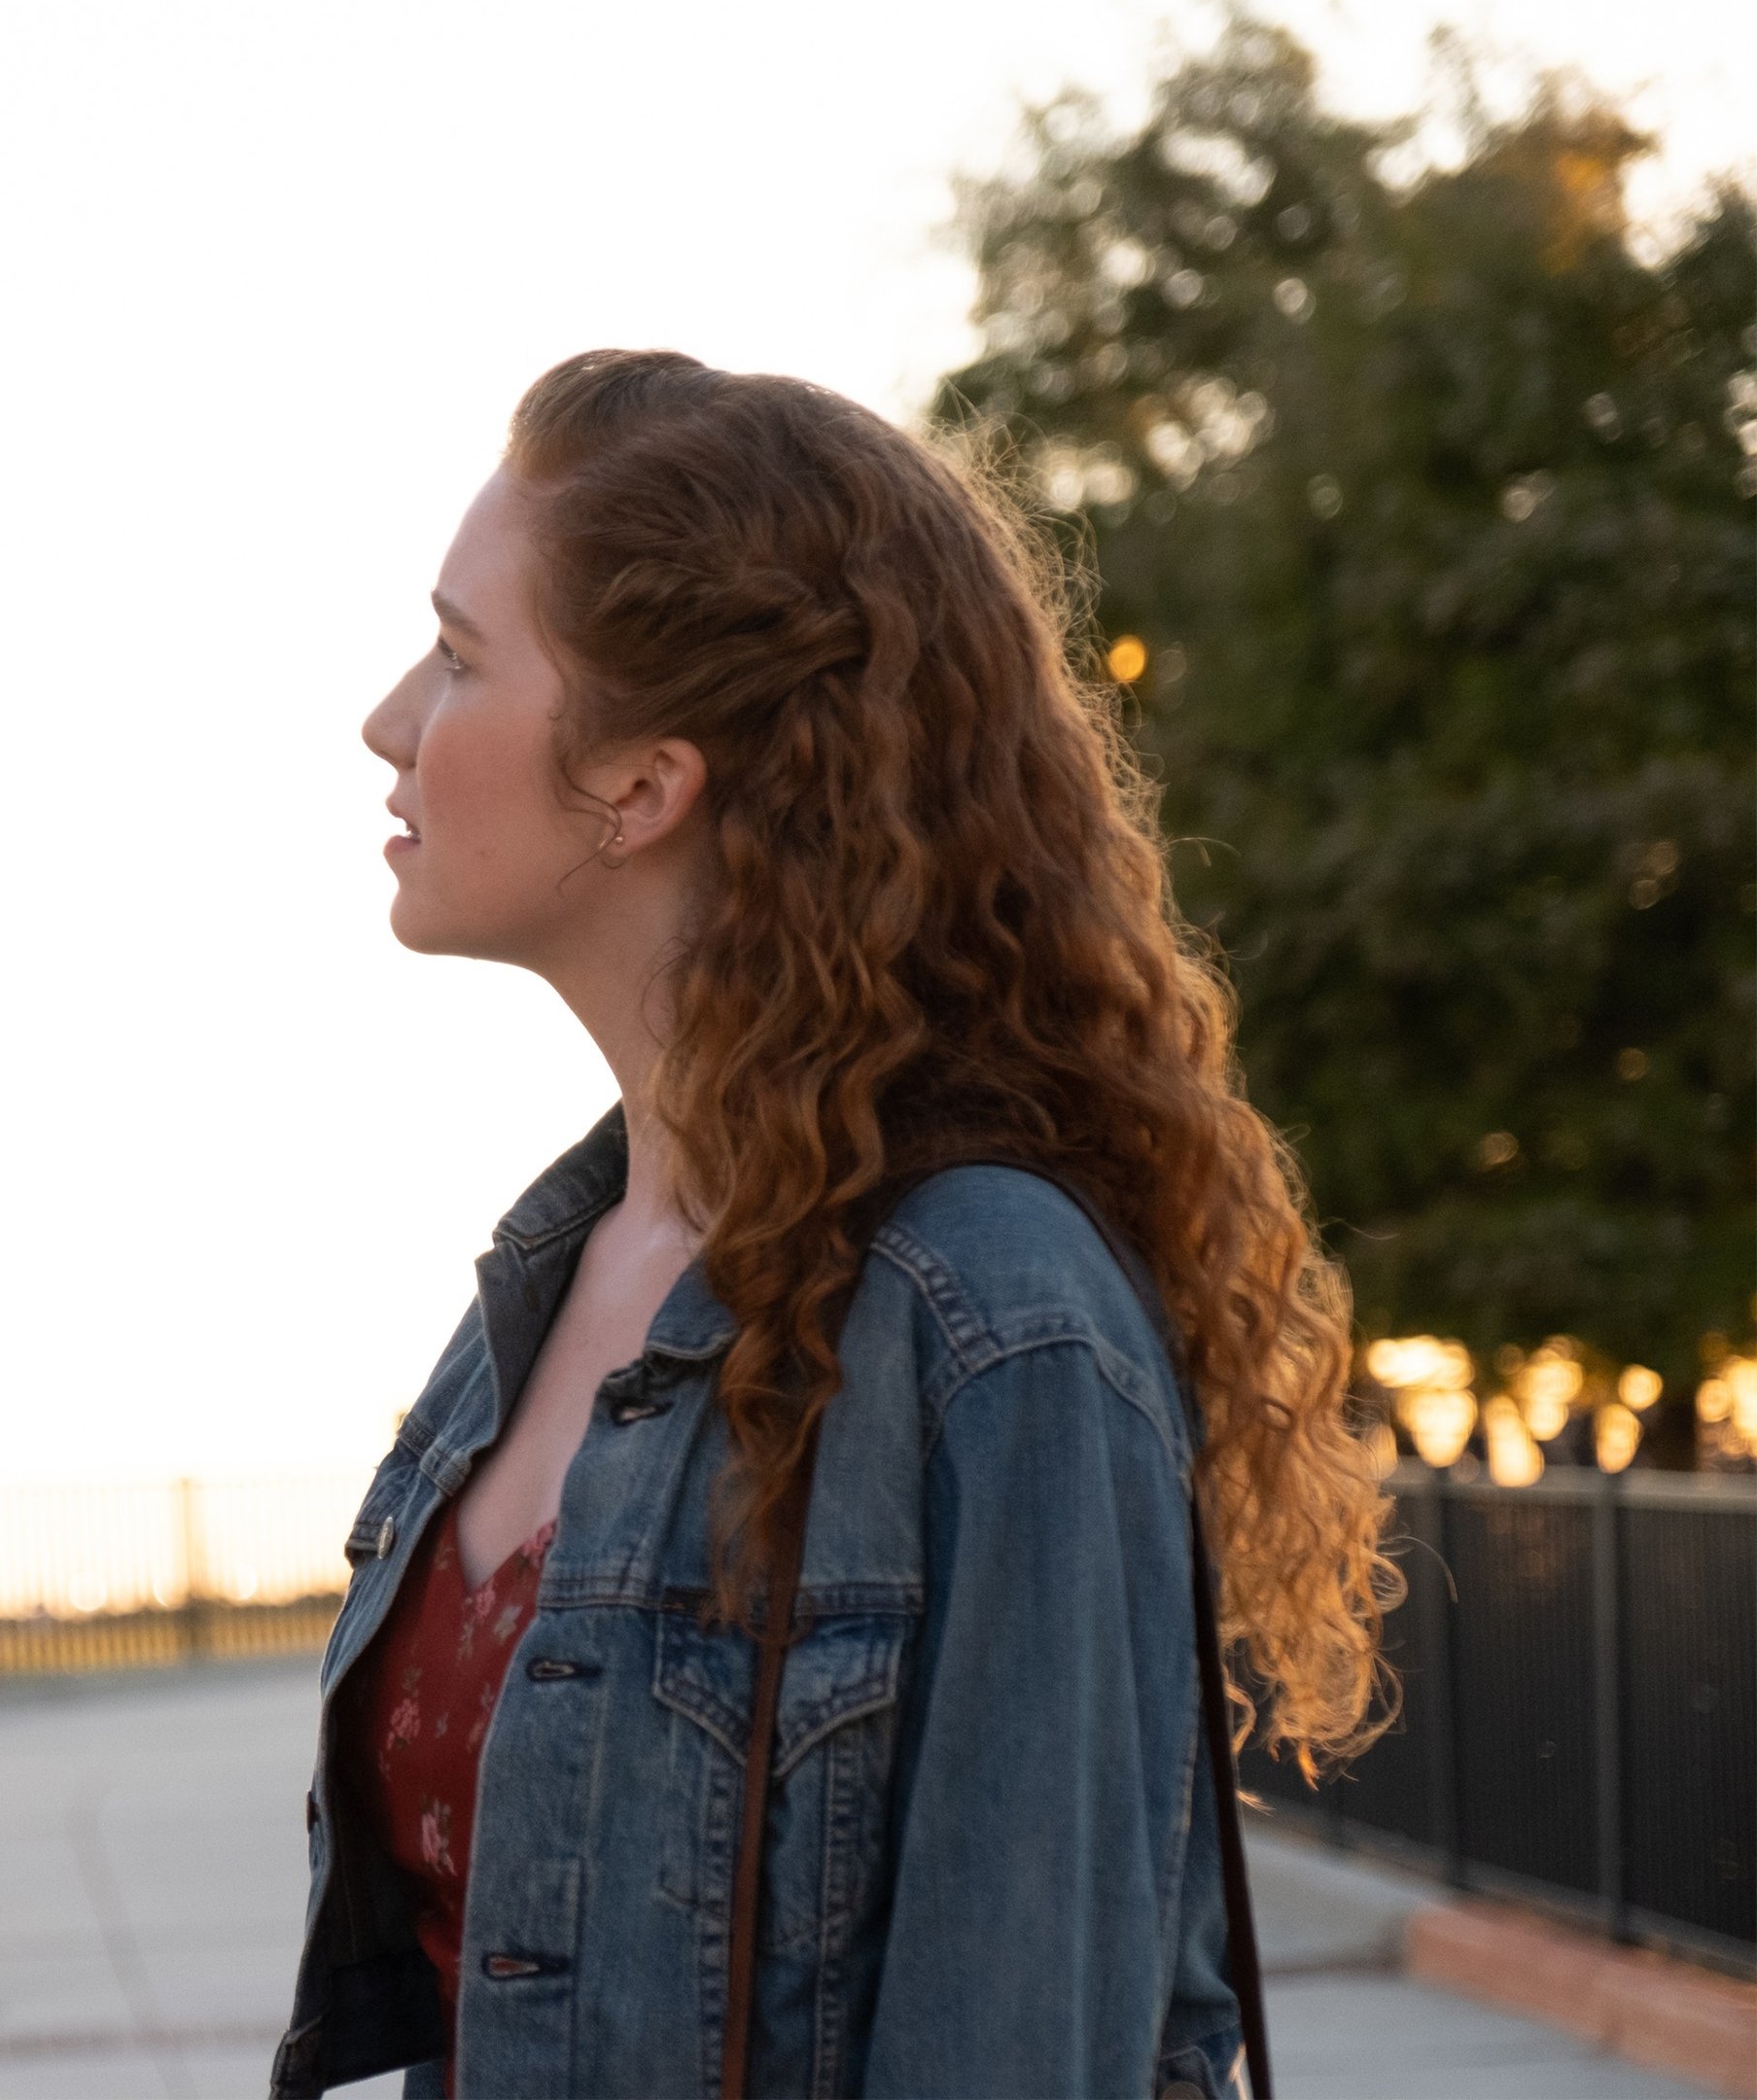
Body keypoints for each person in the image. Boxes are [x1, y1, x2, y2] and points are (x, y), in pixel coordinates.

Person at [274, 350, 1392, 2098]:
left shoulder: (994, 1323)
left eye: (460, 656)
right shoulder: (545, 1282)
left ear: (642, 784)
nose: (388, 719)